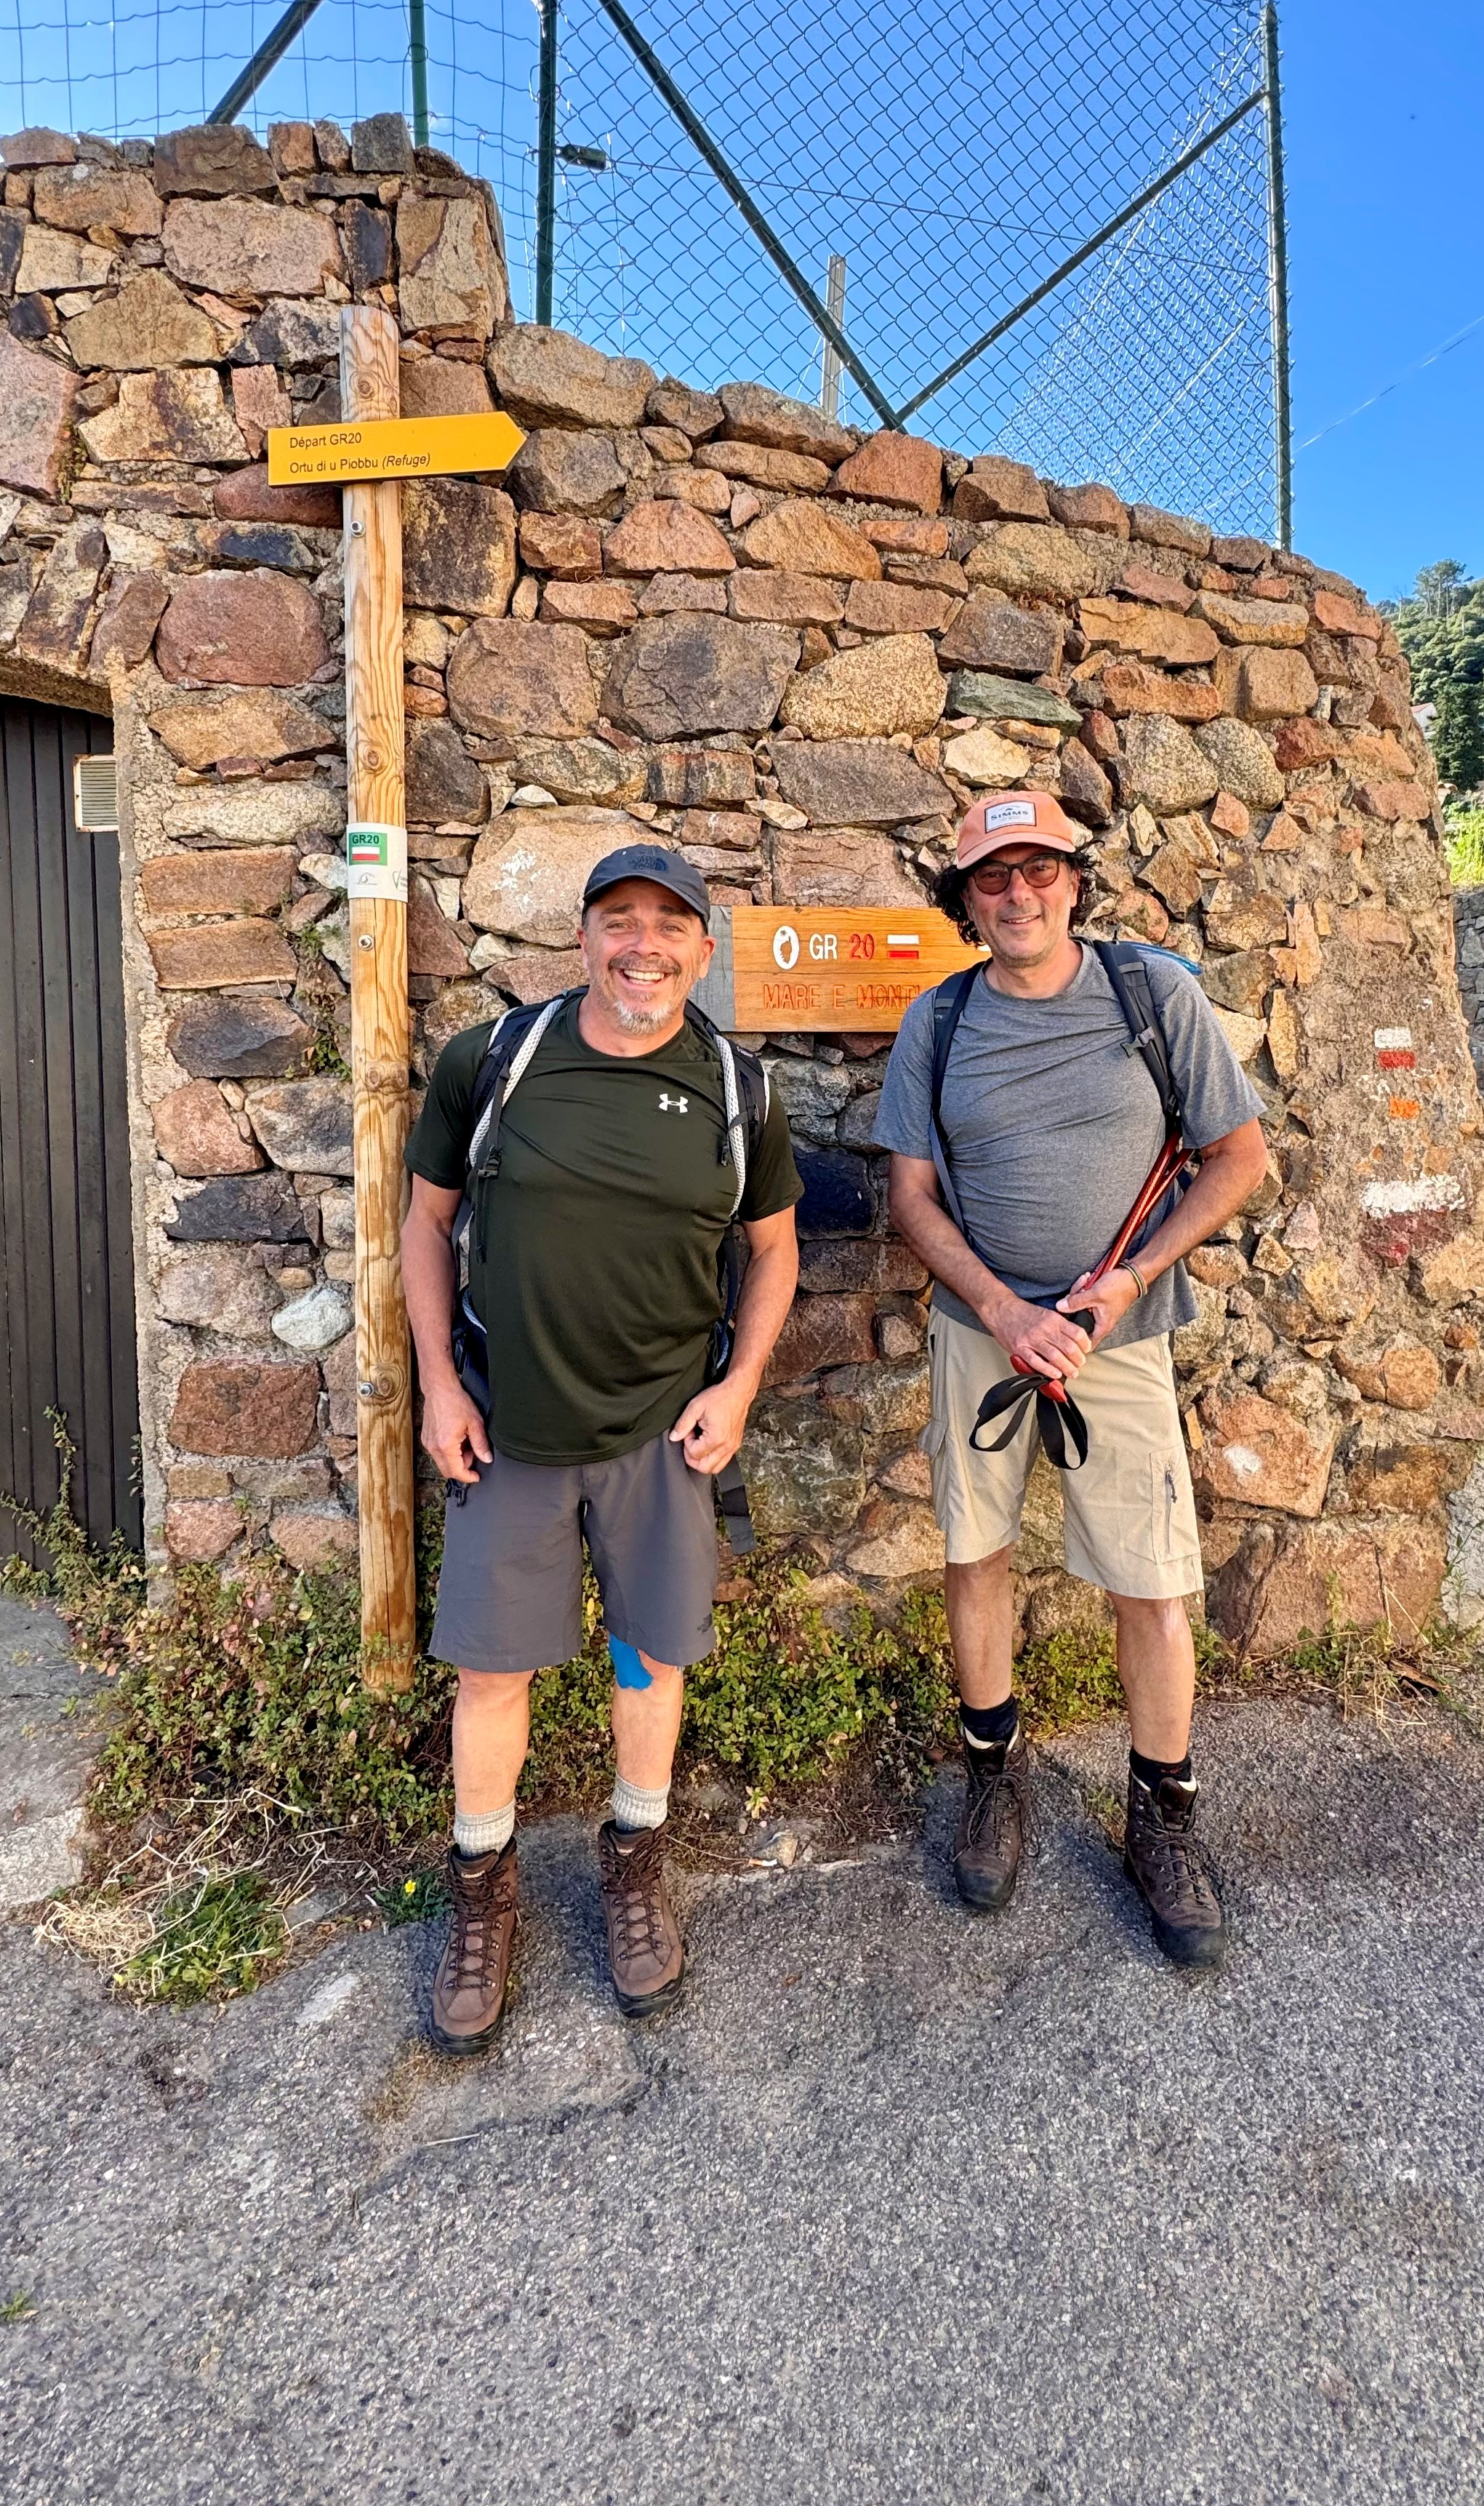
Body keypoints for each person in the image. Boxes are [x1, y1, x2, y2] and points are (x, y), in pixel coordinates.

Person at [398, 844, 801, 2053]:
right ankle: (484, 1898)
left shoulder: (739, 1092)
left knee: (647, 1660)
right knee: (492, 1675)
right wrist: (435, 1389)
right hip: (508, 1428)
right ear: (582, 940)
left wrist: (737, 1390)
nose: (645, 946)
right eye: (620, 922)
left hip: (663, 1438)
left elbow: (774, 1251)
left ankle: (633, 1869)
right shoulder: (496, 1062)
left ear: (704, 952)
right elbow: (425, 1228)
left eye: (670, 927)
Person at [879, 793, 1270, 1966]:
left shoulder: (1154, 998)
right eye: (993, 879)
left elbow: (1237, 1158)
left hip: (1125, 1336)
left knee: (1150, 1582)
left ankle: (1165, 1816)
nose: (1019, 894)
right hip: (978, 1335)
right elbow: (909, 1196)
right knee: (974, 1552)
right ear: (965, 903)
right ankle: (994, 1780)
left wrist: (1123, 1283)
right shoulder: (937, 1023)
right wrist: (1001, 1309)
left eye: (1040, 870)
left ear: (1075, 883)